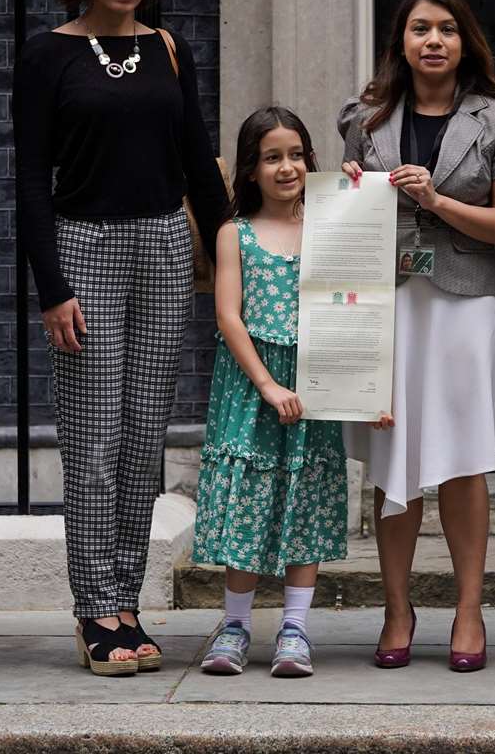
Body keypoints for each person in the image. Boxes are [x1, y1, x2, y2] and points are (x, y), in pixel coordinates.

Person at [13, 0, 228, 677]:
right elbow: (32, 180)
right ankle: (93, 606)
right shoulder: (48, 56)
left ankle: (126, 601)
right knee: (93, 443)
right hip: (86, 248)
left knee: (144, 439)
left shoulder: (169, 49)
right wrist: (52, 288)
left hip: (165, 246)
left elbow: (200, 163)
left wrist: (237, 246)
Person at [339, 0, 495, 673]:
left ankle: (470, 609)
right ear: (402, 40)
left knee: (463, 455)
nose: (433, 41)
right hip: (387, 299)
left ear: (464, 39)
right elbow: (344, 205)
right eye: (420, 28)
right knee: (395, 458)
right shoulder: (363, 118)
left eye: (447, 29)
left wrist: (436, 198)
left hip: (465, 298)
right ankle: (396, 609)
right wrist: (354, 189)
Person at [193, 107, 349, 679]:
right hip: (252, 384)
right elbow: (228, 316)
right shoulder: (235, 233)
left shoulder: (332, 224)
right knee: (248, 499)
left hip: (312, 385)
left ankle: (294, 629)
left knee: (304, 493)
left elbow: (362, 302)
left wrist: (367, 388)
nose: (287, 167)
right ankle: (234, 625)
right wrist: (266, 383)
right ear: (251, 170)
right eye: (272, 157)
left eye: (297, 154)